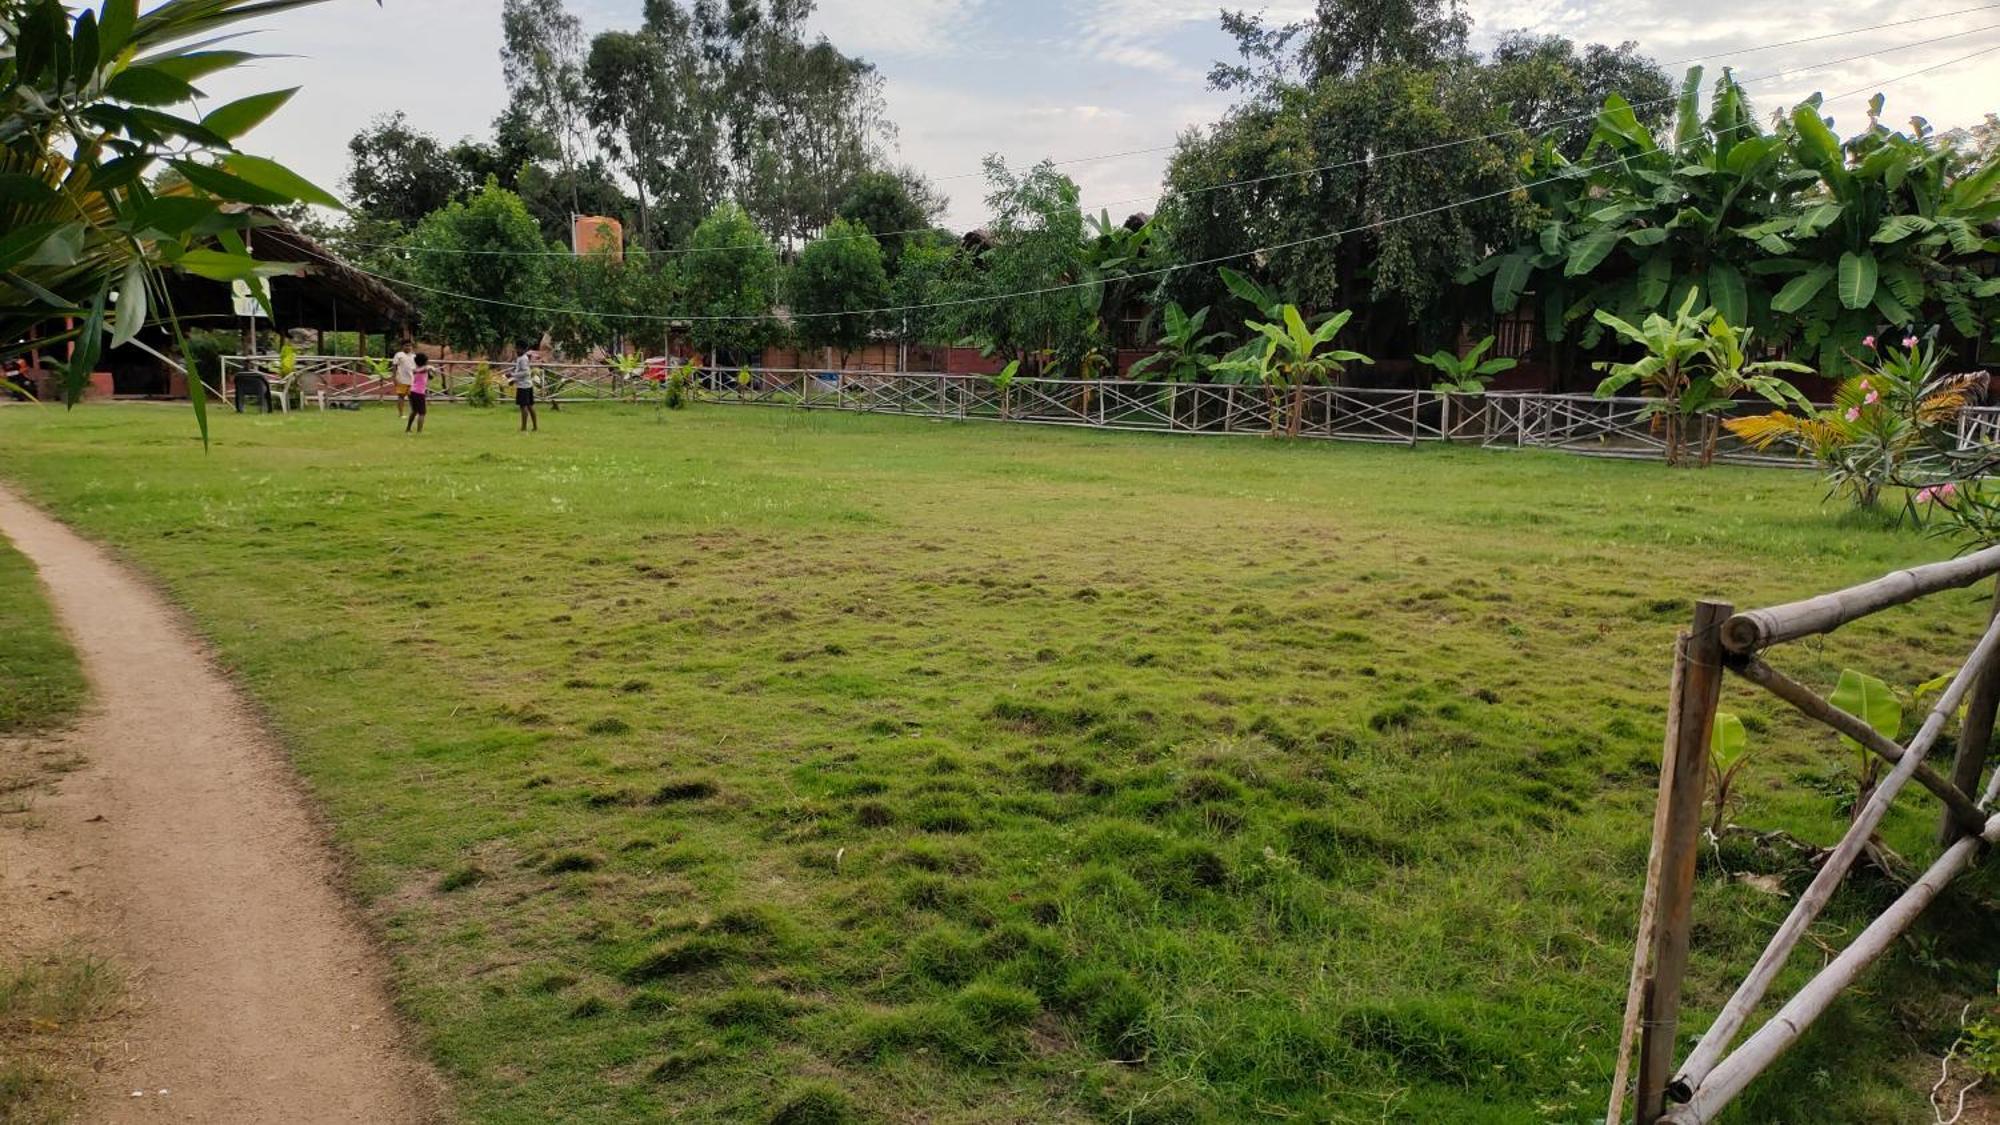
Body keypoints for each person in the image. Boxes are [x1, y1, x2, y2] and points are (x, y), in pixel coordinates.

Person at [511, 342, 539, 432]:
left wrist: (512, 375)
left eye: (518, 349)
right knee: (530, 406)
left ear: (523, 349)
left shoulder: (523, 359)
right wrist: (513, 379)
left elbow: (526, 372)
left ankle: (524, 428)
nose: (516, 351)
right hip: (527, 384)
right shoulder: (522, 358)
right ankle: (534, 427)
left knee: (524, 406)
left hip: (524, 386)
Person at [405, 354, 432, 434]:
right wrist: (431, 368)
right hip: (418, 393)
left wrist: (430, 373)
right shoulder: (420, 369)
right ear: (425, 362)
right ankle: (419, 431)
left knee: (414, 411)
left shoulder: (417, 369)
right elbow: (427, 368)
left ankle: (408, 429)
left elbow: (430, 376)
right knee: (422, 413)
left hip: (412, 391)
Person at [391, 341, 416, 418]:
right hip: (401, 379)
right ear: (403, 346)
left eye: (410, 346)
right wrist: (394, 377)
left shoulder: (414, 356)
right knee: (401, 396)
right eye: (406, 346)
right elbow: (394, 366)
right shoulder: (399, 355)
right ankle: (401, 414)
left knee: (412, 397)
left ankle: (413, 413)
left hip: (412, 379)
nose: (408, 347)